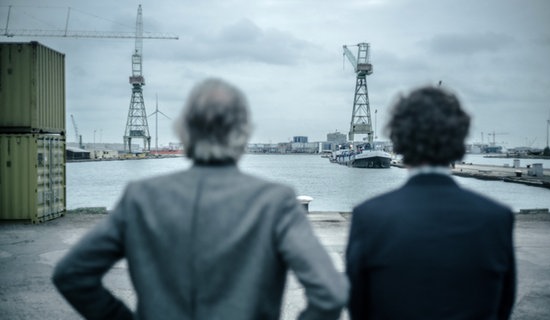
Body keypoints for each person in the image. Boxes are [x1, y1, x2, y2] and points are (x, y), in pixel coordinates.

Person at [53, 78, 348, 320]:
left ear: (184, 133)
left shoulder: (140, 199)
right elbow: (330, 293)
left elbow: (71, 274)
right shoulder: (275, 202)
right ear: (243, 135)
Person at [346, 86, 516, 319]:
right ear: (459, 140)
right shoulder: (497, 217)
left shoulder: (369, 217)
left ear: (399, 141)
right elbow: (503, 307)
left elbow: (359, 307)